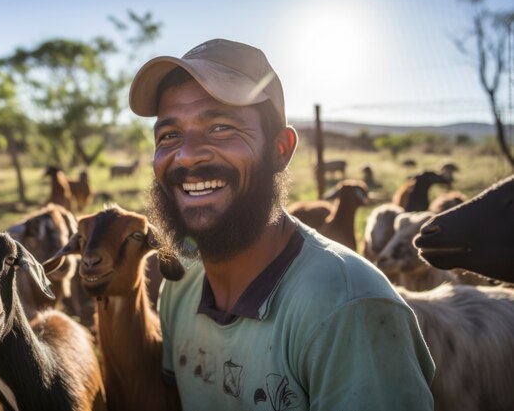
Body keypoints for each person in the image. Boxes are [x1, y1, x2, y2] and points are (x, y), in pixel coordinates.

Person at [129, 38, 435, 410]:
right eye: (169, 135)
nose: (188, 154)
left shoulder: (350, 311)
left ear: (281, 149)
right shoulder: (182, 283)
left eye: (221, 128)